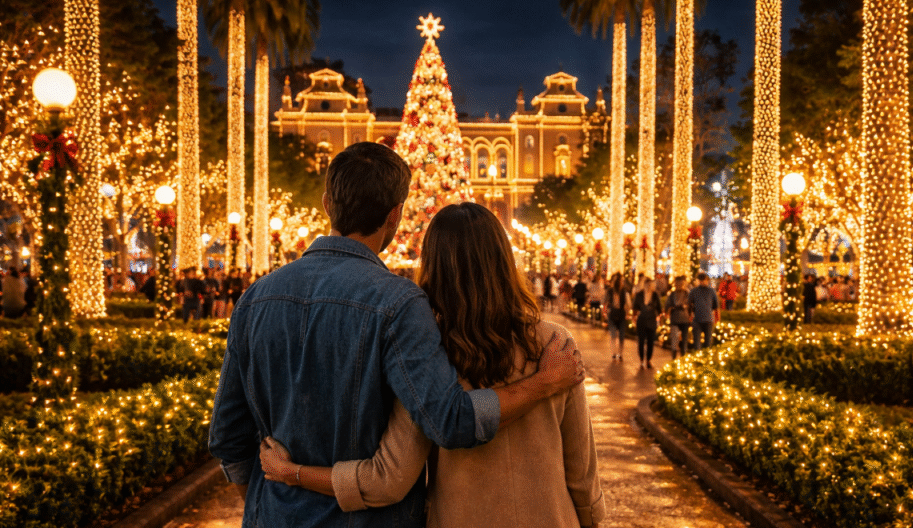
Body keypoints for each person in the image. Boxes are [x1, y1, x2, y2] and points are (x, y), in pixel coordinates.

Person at [208, 142, 585, 528]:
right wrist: (543, 383)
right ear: (395, 216)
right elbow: (450, 420)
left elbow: (228, 436)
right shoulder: (399, 304)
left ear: (326, 204)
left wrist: (271, 501)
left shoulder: (255, 299)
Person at [259, 202, 605, 528]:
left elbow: (388, 479)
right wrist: (590, 517)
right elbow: (581, 470)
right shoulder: (553, 345)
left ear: (433, 265)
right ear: (504, 260)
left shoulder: (425, 350)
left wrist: (293, 472)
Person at [632, 278, 662, 369]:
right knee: (641, 341)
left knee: (650, 342)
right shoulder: (640, 294)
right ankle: (641, 360)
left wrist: (659, 317)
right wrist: (634, 316)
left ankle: (648, 360)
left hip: (651, 320)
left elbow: (659, 308)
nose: (650, 286)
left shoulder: (655, 295)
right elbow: (635, 307)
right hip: (641, 320)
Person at [688, 272, 719, 351]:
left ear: (707, 280)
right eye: (700, 280)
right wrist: (689, 316)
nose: (702, 282)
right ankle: (698, 358)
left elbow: (716, 306)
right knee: (697, 343)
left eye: (704, 280)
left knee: (708, 343)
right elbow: (689, 304)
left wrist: (717, 319)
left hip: (708, 320)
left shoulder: (711, 291)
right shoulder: (694, 291)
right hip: (697, 320)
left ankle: (706, 359)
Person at [605, 272, 628, 361]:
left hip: (621, 315)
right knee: (613, 335)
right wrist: (606, 312)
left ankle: (620, 353)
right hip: (612, 314)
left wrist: (626, 311)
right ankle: (614, 353)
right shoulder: (610, 291)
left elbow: (627, 303)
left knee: (621, 336)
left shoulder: (624, 292)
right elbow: (605, 301)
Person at [666, 276, 690, 359]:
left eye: (681, 283)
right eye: (677, 284)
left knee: (684, 341)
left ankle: (683, 357)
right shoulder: (672, 294)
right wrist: (670, 309)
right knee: (674, 340)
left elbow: (691, 305)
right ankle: (674, 358)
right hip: (675, 319)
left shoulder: (687, 293)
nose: (679, 285)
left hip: (685, 320)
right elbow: (667, 306)